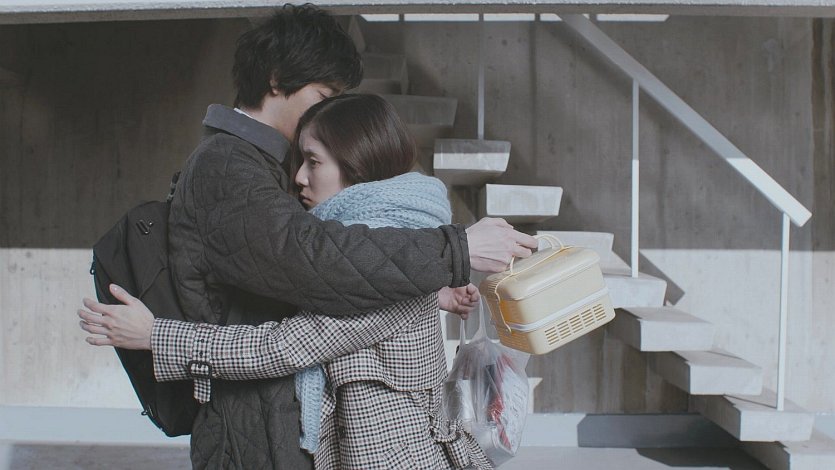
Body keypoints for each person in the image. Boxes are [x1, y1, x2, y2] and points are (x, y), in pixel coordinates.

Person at [87, 6, 536, 470]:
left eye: (314, 162)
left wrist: (428, 286)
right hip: (254, 431)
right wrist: (454, 250)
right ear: (277, 79)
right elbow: (314, 261)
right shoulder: (229, 167)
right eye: (323, 94)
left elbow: (321, 291)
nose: (326, 111)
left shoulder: (265, 166)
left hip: (276, 424)